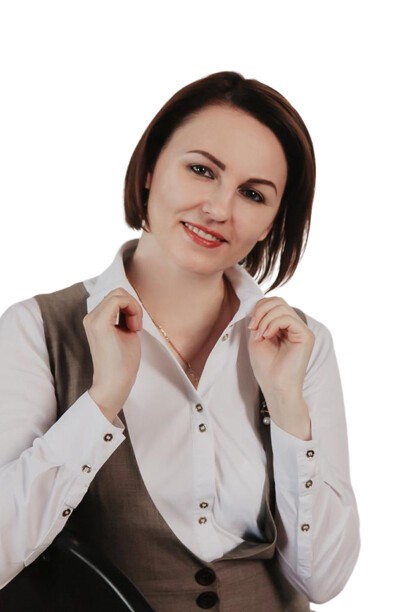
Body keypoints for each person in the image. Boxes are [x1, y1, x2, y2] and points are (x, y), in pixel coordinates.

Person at [0, 71, 360, 611]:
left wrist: (288, 408)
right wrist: (101, 402)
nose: (219, 209)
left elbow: (325, 579)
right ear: (150, 169)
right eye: (201, 170)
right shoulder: (37, 329)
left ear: (270, 222)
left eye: (253, 194)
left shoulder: (302, 346)